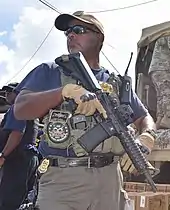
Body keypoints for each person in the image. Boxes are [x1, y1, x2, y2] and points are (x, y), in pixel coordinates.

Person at [13, 11, 156, 210]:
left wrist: (147, 136)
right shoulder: (51, 71)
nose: (71, 35)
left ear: (99, 37)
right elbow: (20, 109)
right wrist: (63, 92)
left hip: (110, 180)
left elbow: (144, 117)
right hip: (64, 181)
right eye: (68, 32)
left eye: (78, 30)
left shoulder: (116, 82)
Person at [0, 83, 39, 210]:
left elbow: (17, 133)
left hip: (18, 157)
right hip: (30, 157)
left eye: (8, 93)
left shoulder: (17, 107)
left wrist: (3, 155)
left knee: (9, 201)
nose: (5, 96)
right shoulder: (32, 109)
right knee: (23, 200)